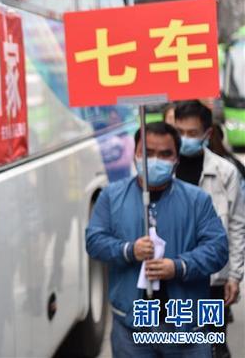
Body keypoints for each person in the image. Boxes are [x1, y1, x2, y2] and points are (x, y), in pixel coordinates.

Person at [86, 122, 228, 357]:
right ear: (135, 154)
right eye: (148, 152)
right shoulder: (111, 196)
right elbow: (94, 241)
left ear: (176, 159)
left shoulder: (197, 200)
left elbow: (218, 249)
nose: (154, 160)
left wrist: (179, 266)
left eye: (164, 154)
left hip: (185, 327)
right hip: (131, 327)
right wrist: (128, 250)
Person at [174, 101, 245, 358]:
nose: (184, 138)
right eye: (179, 132)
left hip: (212, 280)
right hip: (172, 277)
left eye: (192, 133)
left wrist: (234, 276)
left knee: (212, 343)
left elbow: (237, 225)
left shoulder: (225, 172)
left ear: (207, 133)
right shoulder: (164, 170)